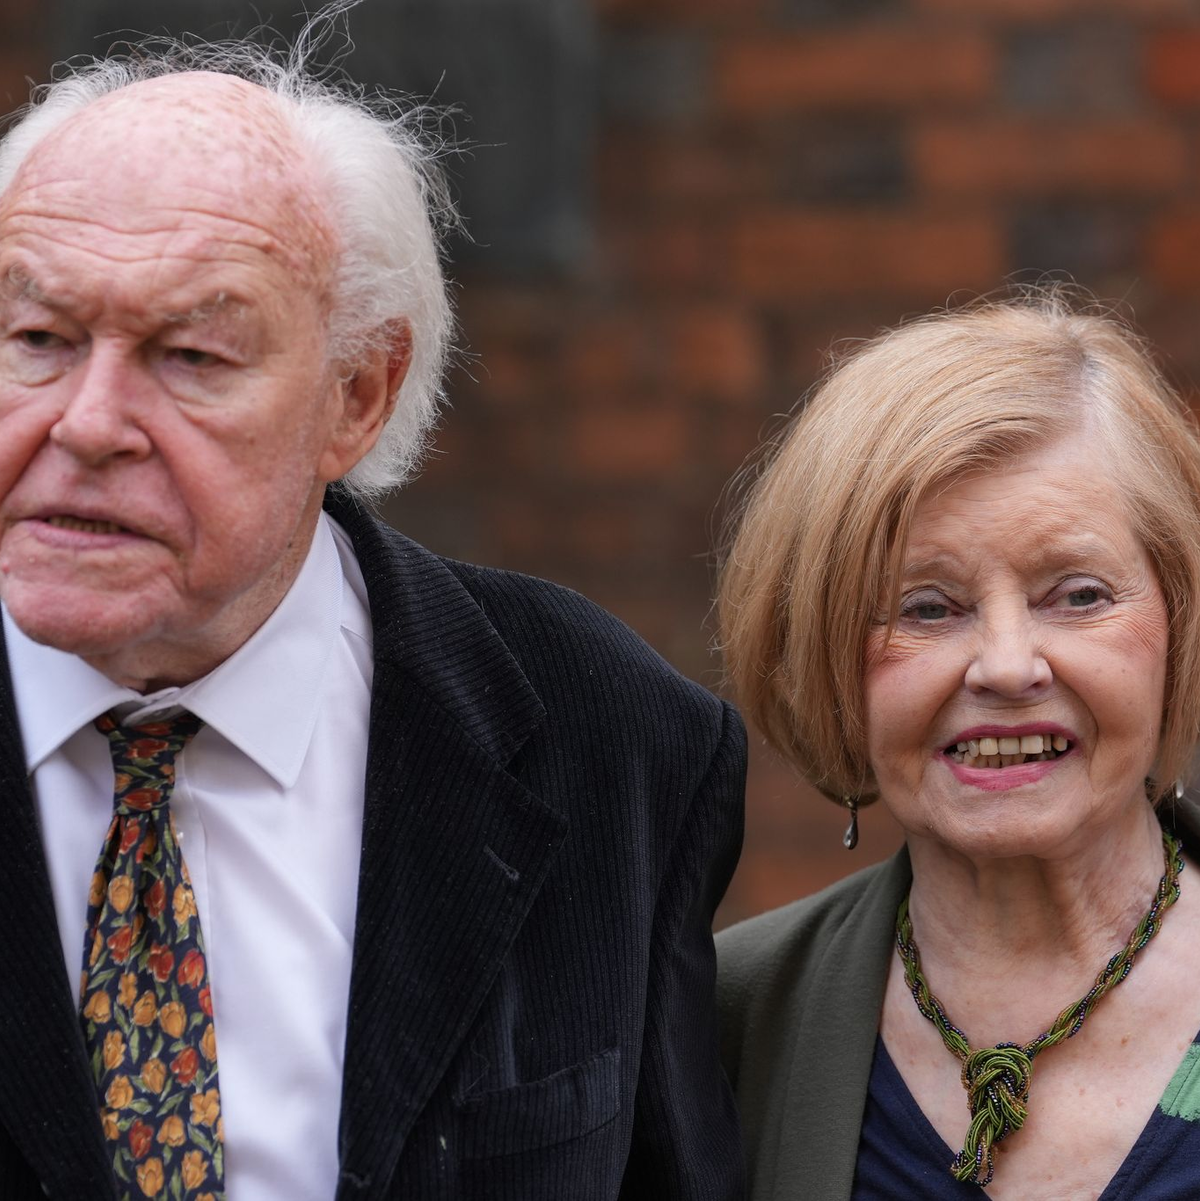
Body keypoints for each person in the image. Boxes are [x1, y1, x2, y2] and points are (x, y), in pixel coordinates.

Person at [0, 22, 746, 1201]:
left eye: (190, 355)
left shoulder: (610, 735)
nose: (87, 422)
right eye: (37, 339)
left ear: (359, 393)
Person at [715, 291, 1200, 1199]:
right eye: (927, 608)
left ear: (1179, 618)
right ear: (822, 656)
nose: (1008, 666)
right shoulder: (726, 1025)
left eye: (1080, 594)